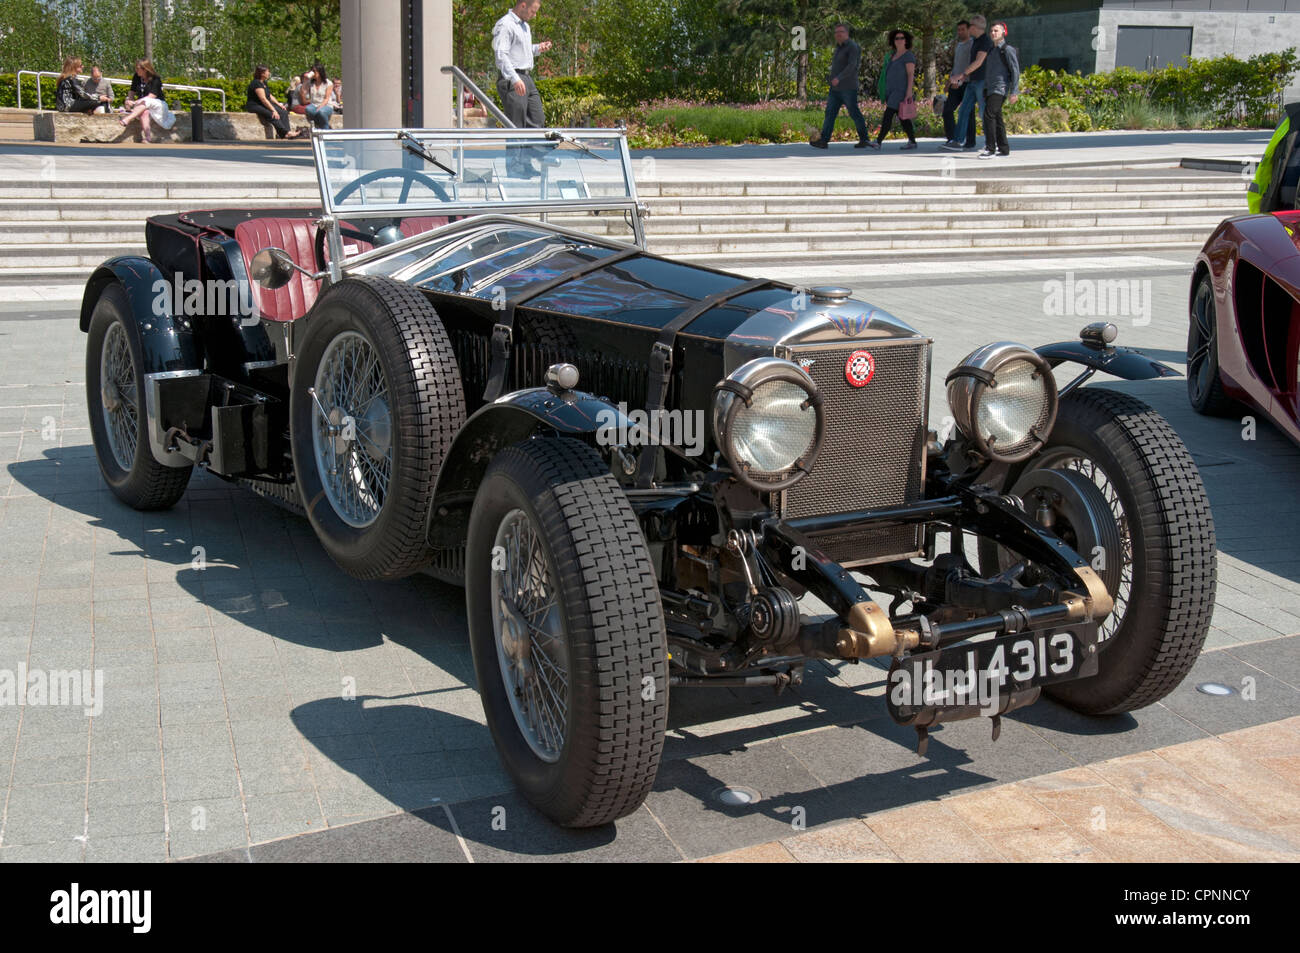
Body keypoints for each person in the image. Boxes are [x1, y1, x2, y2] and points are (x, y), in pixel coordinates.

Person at [493, 0, 554, 177]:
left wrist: (538, 49)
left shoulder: (525, 27)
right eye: (533, 12)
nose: (534, 16)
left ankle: (527, 159)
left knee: (537, 118)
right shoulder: (505, 24)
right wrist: (514, 78)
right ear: (523, 5)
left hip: (526, 76)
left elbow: (522, 51)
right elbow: (501, 55)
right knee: (516, 124)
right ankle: (515, 168)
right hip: (513, 77)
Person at [810, 24, 869, 150]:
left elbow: (852, 66)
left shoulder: (853, 47)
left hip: (848, 87)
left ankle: (864, 139)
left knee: (854, 113)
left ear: (847, 33)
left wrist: (839, 78)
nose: (838, 34)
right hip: (835, 89)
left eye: (841, 32)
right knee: (830, 113)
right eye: (836, 32)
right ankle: (824, 141)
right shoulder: (838, 48)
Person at [944, 15, 991, 152]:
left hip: (982, 81)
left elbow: (979, 61)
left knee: (983, 113)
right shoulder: (976, 41)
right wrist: (961, 78)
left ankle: (990, 143)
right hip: (972, 81)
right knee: (964, 111)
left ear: (975, 27)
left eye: (970, 26)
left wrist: (963, 75)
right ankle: (957, 141)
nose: (968, 28)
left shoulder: (985, 41)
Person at [865, 29, 917, 150]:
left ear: (906, 40)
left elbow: (910, 74)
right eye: (896, 38)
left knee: (888, 115)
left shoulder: (908, 55)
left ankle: (878, 141)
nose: (899, 40)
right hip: (891, 91)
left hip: (901, 91)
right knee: (903, 118)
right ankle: (912, 141)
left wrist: (909, 91)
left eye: (902, 38)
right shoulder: (892, 56)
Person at [979, 22, 1020, 158]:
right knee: (997, 117)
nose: (993, 33)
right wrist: (985, 88)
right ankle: (1004, 148)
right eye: (991, 31)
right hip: (990, 88)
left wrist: (1014, 91)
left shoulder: (1007, 50)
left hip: (1000, 88)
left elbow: (1015, 71)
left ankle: (990, 148)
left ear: (1003, 33)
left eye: (996, 31)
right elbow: (989, 72)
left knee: (988, 115)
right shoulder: (991, 50)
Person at [940, 21, 976, 150]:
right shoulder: (959, 45)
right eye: (958, 30)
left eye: (962, 29)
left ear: (969, 30)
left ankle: (970, 142)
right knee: (947, 111)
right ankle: (952, 139)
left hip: (967, 84)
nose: (960, 32)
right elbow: (956, 66)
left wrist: (960, 81)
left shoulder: (972, 44)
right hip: (955, 83)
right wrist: (949, 82)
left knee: (968, 113)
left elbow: (972, 66)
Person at [119, 59, 173, 142]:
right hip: (143, 105)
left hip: (158, 104)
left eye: (138, 68)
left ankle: (127, 119)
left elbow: (152, 95)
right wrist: (130, 100)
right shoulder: (136, 77)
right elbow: (132, 90)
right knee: (144, 112)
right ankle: (148, 137)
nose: (136, 70)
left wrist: (136, 102)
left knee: (146, 101)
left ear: (145, 69)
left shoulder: (156, 79)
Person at [245, 65, 304, 140]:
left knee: (283, 112)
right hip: (255, 105)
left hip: (263, 104)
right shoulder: (256, 83)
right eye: (267, 72)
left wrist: (278, 104)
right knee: (272, 114)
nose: (269, 73)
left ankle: (287, 132)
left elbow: (269, 96)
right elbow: (263, 99)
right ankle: (285, 133)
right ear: (262, 73)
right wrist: (273, 110)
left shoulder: (264, 83)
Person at [304, 63, 337, 129]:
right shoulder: (311, 82)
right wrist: (305, 81)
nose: (313, 73)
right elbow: (304, 92)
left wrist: (320, 107)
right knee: (308, 109)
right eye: (312, 71)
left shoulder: (328, 83)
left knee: (321, 112)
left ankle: (325, 130)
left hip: (326, 105)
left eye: (314, 71)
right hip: (314, 105)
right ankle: (320, 126)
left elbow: (326, 98)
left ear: (320, 72)